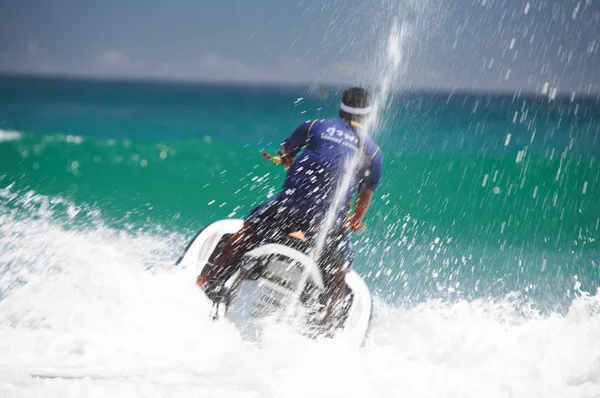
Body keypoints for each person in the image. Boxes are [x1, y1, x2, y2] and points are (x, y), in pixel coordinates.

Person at [197, 87, 383, 328]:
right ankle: (326, 328)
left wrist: (287, 160)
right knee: (337, 271)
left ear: (340, 110)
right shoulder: (374, 152)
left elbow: (286, 152)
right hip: (325, 228)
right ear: (367, 116)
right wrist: (357, 218)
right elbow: (365, 195)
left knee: (247, 232)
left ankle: (207, 282)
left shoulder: (316, 126)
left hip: (287, 212)